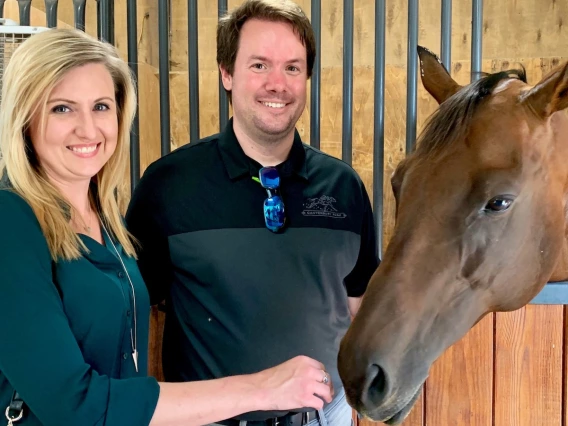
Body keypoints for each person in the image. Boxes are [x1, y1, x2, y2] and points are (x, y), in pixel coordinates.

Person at [0, 28, 333, 426]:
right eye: (62, 108)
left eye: (102, 107)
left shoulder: (107, 220)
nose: (88, 130)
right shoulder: (11, 221)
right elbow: (75, 403)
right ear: (24, 117)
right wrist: (262, 388)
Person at [125, 1, 379, 425]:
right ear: (227, 73)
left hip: (323, 418)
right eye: (259, 65)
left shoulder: (344, 188)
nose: (277, 84)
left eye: (293, 68)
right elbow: (132, 308)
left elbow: (360, 305)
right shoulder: (168, 185)